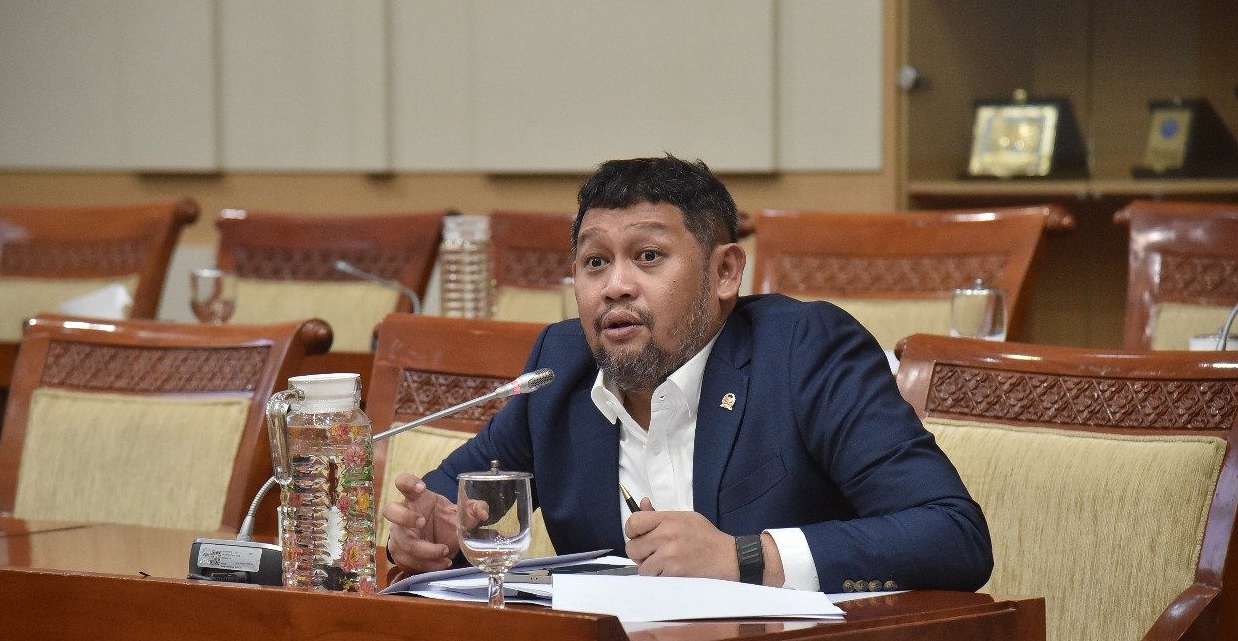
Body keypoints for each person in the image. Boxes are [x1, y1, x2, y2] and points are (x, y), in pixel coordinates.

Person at [385, 155, 992, 592]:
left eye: (648, 256)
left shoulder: (803, 351)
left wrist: (744, 558)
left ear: (724, 273)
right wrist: (427, 538)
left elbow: (951, 534)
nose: (615, 286)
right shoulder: (561, 367)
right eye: (594, 262)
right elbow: (450, 504)